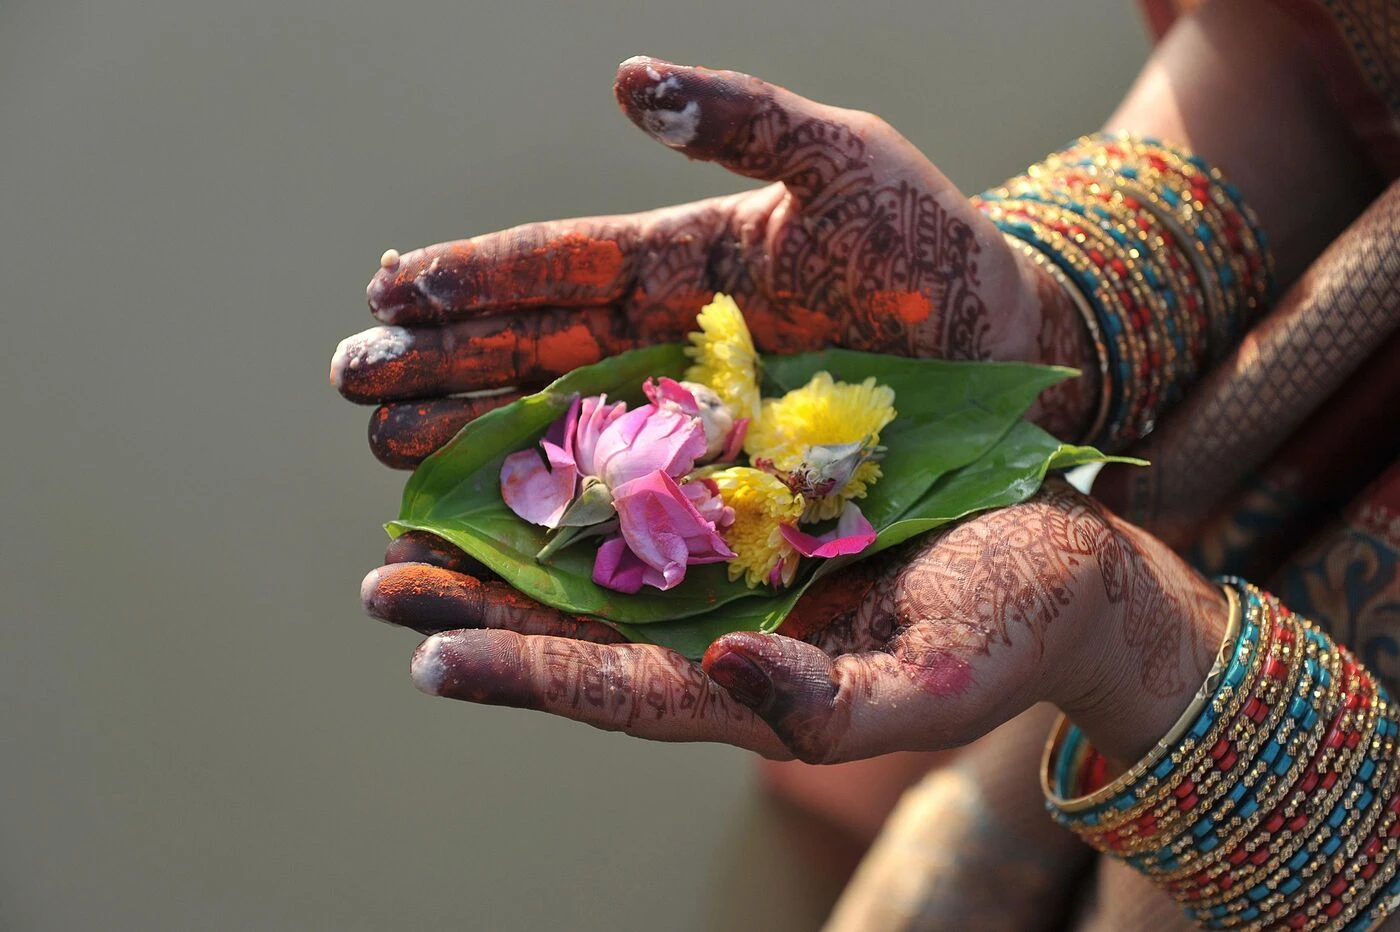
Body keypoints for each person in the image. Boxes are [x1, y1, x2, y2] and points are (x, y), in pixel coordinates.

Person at [330, 0, 1400, 926]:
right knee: (823, 815)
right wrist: (1049, 312)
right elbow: (1314, 68)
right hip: (1183, 535)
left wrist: (1139, 647)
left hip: (1214, 756)